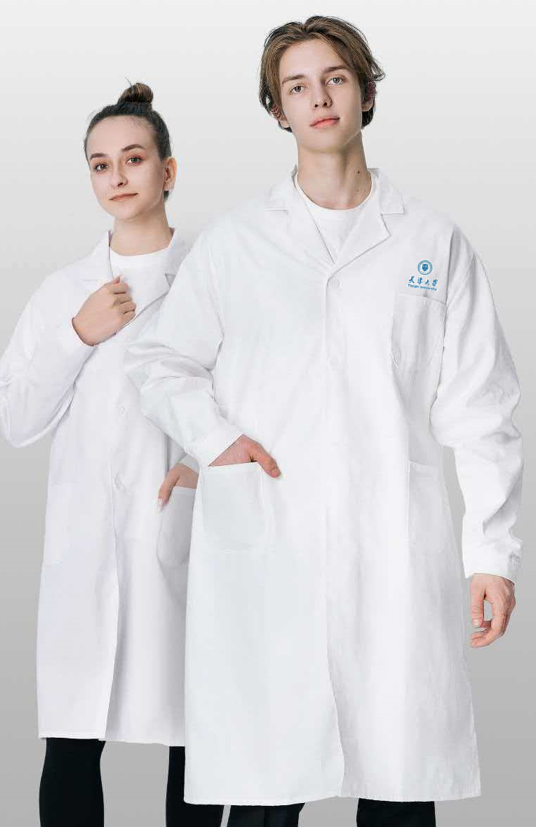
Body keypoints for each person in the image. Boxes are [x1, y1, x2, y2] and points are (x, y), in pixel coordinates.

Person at [125, 16, 523, 827]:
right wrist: (216, 441)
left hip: (394, 550)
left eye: (335, 78)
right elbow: (160, 362)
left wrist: (492, 554)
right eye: (297, 86)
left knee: (399, 784)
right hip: (270, 549)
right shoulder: (237, 243)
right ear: (277, 110)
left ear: (365, 92)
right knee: (269, 788)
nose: (319, 98)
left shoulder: (431, 241)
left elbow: (482, 408)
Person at [0, 82, 225, 827]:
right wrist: (77, 334)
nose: (117, 176)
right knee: (71, 738)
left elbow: (261, 396)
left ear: (169, 170)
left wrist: (204, 464)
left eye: (134, 158)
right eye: (100, 164)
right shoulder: (64, 291)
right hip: (84, 550)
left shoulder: (216, 276)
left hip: (191, 536)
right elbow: (15, 419)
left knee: (198, 741)